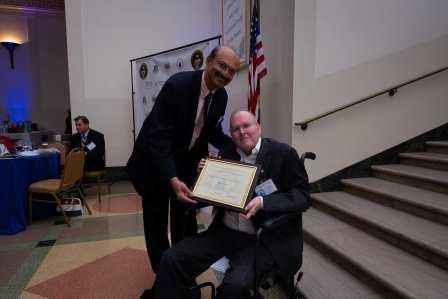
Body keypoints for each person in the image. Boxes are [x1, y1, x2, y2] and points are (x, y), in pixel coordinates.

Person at [149, 111, 311, 299]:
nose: (242, 132)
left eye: (247, 126)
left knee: (235, 286)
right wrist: (203, 178)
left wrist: (264, 202)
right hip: (225, 231)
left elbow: (302, 197)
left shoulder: (283, 153)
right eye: (236, 129)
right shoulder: (226, 153)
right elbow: (209, 196)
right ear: (231, 134)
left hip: (261, 238)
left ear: (258, 127)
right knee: (171, 258)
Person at [126, 47, 240, 277]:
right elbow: (158, 137)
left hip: (184, 164)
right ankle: (164, 277)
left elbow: (209, 132)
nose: (225, 73)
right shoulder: (178, 85)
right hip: (154, 163)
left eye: (231, 71)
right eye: (221, 65)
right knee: (156, 223)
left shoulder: (221, 97)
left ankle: (181, 267)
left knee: (184, 219)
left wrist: (238, 145)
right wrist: (172, 178)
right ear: (208, 62)